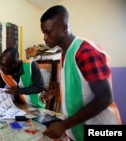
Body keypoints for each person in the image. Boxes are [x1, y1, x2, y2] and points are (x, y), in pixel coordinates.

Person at [40, 5, 122, 141]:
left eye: (48, 32)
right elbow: (74, 85)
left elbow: (105, 98)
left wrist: (64, 125)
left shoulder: (85, 52)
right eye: (43, 32)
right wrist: (52, 93)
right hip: (77, 131)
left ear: (64, 28)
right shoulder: (65, 53)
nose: (44, 38)